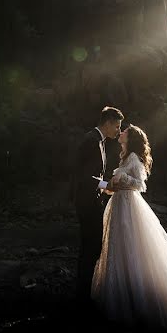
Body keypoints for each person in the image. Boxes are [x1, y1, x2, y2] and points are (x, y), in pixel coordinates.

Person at [91, 125, 167, 330]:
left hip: (130, 206)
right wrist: (100, 185)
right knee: (119, 247)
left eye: (124, 132)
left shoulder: (134, 158)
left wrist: (121, 179)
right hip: (120, 204)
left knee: (134, 247)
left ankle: (139, 298)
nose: (120, 133)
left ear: (131, 138)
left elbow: (140, 184)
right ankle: (124, 292)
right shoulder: (124, 157)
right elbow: (113, 187)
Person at [73, 106, 123, 305]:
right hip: (86, 202)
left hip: (91, 199)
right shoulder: (92, 141)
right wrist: (106, 185)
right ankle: (83, 296)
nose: (118, 131)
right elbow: (84, 176)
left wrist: (104, 188)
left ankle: (84, 292)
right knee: (91, 247)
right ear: (108, 122)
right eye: (117, 126)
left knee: (91, 247)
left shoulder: (97, 140)